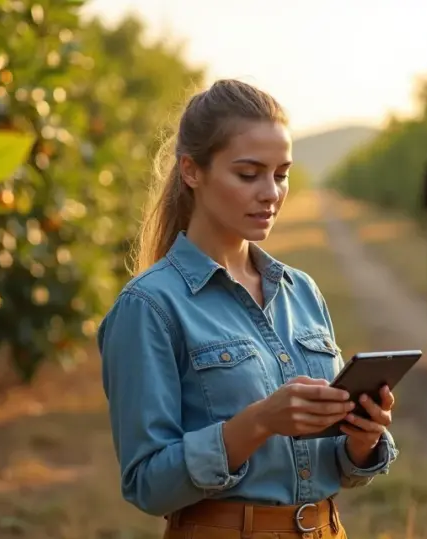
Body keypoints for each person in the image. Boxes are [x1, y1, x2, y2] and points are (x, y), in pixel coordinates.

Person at [97, 79, 398, 539]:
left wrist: (362, 439)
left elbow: (338, 466)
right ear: (192, 171)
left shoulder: (302, 292)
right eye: (248, 173)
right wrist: (257, 422)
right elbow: (147, 486)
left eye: (281, 174)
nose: (271, 193)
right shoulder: (149, 306)